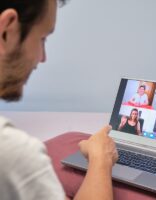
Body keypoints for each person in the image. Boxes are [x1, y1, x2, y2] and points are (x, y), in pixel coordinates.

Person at [0, 1, 118, 200]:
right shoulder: (13, 152)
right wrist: (101, 160)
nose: (42, 57)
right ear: (6, 31)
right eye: (42, 38)